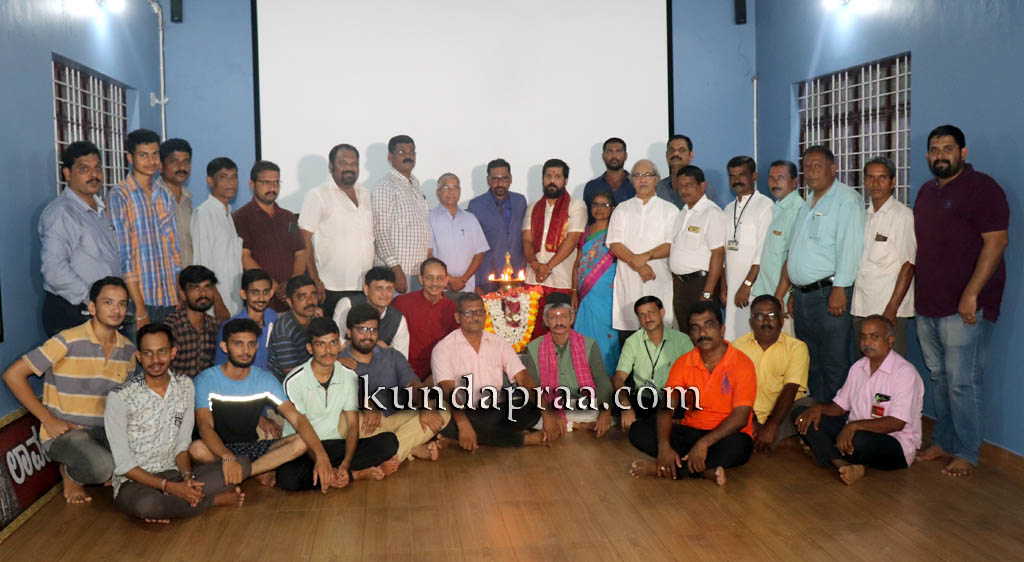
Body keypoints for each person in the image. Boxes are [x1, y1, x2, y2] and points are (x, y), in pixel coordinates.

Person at [914, 125, 1009, 477]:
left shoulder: (983, 188)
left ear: (963, 153)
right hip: (928, 304)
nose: (941, 154)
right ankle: (943, 440)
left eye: (948, 148)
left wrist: (971, 293)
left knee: (962, 382)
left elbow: (996, 243)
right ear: (928, 155)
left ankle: (967, 451)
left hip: (966, 307)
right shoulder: (926, 192)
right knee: (939, 378)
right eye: (935, 149)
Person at [2, 277, 136, 504]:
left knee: (144, 457)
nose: (116, 310)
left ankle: (107, 469)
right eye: (108, 302)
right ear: (92, 307)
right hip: (67, 433)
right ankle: (72, 473)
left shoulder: (129, 350)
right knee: (104, 468)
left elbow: (124, 400)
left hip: (105, 431)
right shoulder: (67, 340)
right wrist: (48, 419)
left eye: (122, 304)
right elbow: (13, 375)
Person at [105, 324, 244, 523]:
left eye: (162, 352)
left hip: (175, 473)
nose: (155, 360)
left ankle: (177, 503)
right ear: (139, 356)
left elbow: (182, 445)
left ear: (173, 353)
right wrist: (169, 488)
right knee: (147, 505)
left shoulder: (185, 386)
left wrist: (187, 478)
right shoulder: (120, 397)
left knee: (242, 465)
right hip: (135, 482)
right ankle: (211, 501)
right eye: (148, 353)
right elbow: (124, 465)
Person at [189, 319, 334, 491]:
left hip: (250, 448)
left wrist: (322, 457)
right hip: (217, 449)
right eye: (238, 344)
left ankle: (247, 472)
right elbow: (205, 427)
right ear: (224, 347)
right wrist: (227, 457)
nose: (245, 350)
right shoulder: (206, 380)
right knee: (197, 449)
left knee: (302, 441)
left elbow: (297, 419)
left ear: (257, 346)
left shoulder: (265, 380)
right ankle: (253, 471)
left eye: (251, 344)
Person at [628, 302, 755, 486]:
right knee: (638, 430)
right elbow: (667, 408)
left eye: (709, 325)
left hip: (725, 435)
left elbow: (741, 417)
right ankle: (702, 470)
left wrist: (704, 444)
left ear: (722, 329)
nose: (702, 333)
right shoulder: (683, 363)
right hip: (691, 431)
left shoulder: (742, 363)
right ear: (691, 335)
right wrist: (664, 446)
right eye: (695, 328)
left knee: (740, 447)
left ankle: (661, 469)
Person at [773, 146, 865, 403]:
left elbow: (850, 247)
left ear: (833, 169)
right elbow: (799, 250)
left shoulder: (846, 200)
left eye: (818, 166)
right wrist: (795, 290)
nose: (811, 171)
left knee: (834, 362)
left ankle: (838, 420)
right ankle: (817, 418)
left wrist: (840, 288)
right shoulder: (808, 202)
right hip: (804, 296)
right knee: (811, 362)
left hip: (830, 294)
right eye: (807, 167)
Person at [793, 315, 924, 485]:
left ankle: (824, 449)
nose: (867, 342)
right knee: (803, 414)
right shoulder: (858, 367)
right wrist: (818, 408)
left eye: (874, 337)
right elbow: (840, 407)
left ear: (890, 341)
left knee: (858, 440)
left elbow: (896, 423)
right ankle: (841, 463)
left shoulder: (904, 373)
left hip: (894, 443)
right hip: (854, 431)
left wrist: (854, 426)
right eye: (863, 336)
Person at [276, 318, 400, 490]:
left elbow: (352, 425)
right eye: (321, 344)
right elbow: (302, 427)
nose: (328, 350)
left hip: (333, 444)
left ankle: (338, 474)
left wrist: (345, 463)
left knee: (389, 442)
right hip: (303, 447)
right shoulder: (294, 381)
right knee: (286, 477)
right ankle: (354, 475)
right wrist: (322, 460)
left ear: (340, 346)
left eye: (333, 343)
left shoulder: (348, 376)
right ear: (310, 348)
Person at [433, 293, 564, 449]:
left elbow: (523, 378)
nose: (475, 317)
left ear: (485, 315)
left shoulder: (498, 343)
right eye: (468, 313)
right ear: (457, 317)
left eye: (479, 312)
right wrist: (463, 425)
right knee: (450, 423)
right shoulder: (443, 348)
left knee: (533, 408)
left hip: (495, 409)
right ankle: (522, 439)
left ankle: (466, 439)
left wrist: (547, 413)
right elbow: (448, 391)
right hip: (463, 411)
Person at [340, 304, 450, 463]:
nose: (368, 335)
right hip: (366, 424)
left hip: (397, 417)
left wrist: (425, 406)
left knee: (443, 409)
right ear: (349, 332)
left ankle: (390, 456)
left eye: (373, 330)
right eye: (362, 329)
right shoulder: (338, 362)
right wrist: (365, 404)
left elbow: (413, 384)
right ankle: (409, 448)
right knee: (344, 423)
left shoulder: (392, 355)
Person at [40, 141, 121, 336]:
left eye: (97, 168)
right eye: (84, 169)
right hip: (75, 311)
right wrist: (92, 299)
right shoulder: (62, 213)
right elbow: (54, 270)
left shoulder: (101, 210)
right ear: (67, 174)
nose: (94, 175)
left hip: (102, 311)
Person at [107, 128, 182, 329]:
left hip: (169, 299)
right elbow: (124, 257)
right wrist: (140, 309)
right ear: (130, 158)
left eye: (155, 154)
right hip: (138, 301)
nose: (151, 161)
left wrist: (179, 294)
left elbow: (174, 251)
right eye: (143, 155)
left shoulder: (164, 194)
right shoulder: (119, 195)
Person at [299, 143, 374, 319]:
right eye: (343, 163)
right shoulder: (317, 195)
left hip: (364, 286)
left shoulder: (365, 194)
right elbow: (304, 240)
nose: (350, 168)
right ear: (331, 166)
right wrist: (315, 281)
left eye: (354, 164)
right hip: (331, 287)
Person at [522, 294, 613, 436]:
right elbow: (533, 388)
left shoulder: (589, 344)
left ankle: (564, 424)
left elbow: (601, 379)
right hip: (550, 404)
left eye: (564, 316)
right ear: (546, 320)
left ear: (571, 318)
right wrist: (548, 412)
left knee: (609, 409)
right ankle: (576, 424)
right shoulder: (533, 347)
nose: (559, 322)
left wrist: (605, 411)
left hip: (583, 403)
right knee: (525, 414)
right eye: (553, 317)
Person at [851, 156, 916, 356]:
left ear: (893, 182)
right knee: (864, 368)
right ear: (864, 181)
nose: (875, 183)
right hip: (861, 309)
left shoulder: (902, 216)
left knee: (889, 368)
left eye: (882, 178)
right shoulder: (865, 216)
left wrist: (891, 310)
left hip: (887, 313)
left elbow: (908, 265)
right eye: (870, 177)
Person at [607, 160, 678, 339]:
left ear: (656, 179)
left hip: (657, 280)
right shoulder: (621, 209)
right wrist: (639, 265)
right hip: (628, 282)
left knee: (660, 338)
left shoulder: (670, 210)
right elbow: (615, 244)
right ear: (632, 181)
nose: (643, 179)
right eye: (638, 175)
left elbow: (670, 245)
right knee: (629, 338)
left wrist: (646, 256)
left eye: (648, 175)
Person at [732, 295, 812, 452]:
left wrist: (771, 425)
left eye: (772, 316)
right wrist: (752, 422)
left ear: (781, 320)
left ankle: (768, 439)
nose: (766, 322)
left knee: (807, 409)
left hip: (784, 414)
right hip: (747, 413)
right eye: (759, 316)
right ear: (751, 322)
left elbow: (790, 389)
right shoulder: (737, 347)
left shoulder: (797, 347)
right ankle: (781, 441)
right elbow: (737, 390)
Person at [523, 158, 586, 338]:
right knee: (533, 336)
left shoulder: (576, 205)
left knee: (560, 337)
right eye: (548, 176)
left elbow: (572, 240)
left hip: (561, 282)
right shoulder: (533, 207)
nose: (552, 181)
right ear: (542, 179)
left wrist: (547, 267)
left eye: (557, 177)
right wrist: (536, 265)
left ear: (565, 180)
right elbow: (526, 240)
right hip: (533, 281)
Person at [234, 160, 306, 313]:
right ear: (252, 185)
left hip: (290, 301)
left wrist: (292, 283)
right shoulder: (241, 217)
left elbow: (300, 253)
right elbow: (244, 257)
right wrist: (269, 284)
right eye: (266, 182)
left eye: (276, 182)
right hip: (260, 301)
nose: (272, 188)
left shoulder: (289, 217)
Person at [613, 296, 693, 430]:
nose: (648, 318)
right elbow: (619, 377)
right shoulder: (632, 341)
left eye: (651, 312)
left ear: (662, 313)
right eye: (642, 315)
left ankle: (652, 425)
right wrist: (625, 406)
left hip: (674, 398)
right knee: (615, 399)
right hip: (645, 398)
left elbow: (693, 375)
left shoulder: (682, 340)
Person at [668, 165, 726, 332]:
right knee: (686, 335)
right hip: (681, 286)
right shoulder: (682, 213)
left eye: (689, 185)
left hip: (700, 284)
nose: (684, 190)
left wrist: (707, 293)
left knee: (703, 334)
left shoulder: (712, 213)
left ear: (702, 186)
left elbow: (718, 254)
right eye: (680, 186)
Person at [721, 156, 773, 341]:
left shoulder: (765, 205)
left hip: (753, 288)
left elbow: (762, 252)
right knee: (733, 336)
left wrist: (747, 285)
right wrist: (724, 286)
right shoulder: (728, 208)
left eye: (742, 175)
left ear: (754, 176)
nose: (737, 180)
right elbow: (725, 254)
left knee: (753, 338)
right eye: (732, 176)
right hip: (732, 286)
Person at [372, 134, 429, 294]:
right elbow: (380, 231)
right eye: (402, 152)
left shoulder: (415, 183)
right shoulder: (385, 186)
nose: (408, 156)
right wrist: (396, 269)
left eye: (411, 152)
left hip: (417, 272)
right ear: (390, 157)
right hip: (395, 272)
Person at [571, 189, 620, 373]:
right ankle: (585, 378)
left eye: (604, 205)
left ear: (613, 208)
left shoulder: (616, 231)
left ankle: (608, 378)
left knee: (608, 333)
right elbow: (578, 263)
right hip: (586, 294)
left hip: (608, 291)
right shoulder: (586, 232)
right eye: (595, 205)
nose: (599, 209)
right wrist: (573, 292)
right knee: (584, 336)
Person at [751, 160, 802, 336]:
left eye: (781, 177)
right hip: (768, 295)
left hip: (782, 302)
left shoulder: (796, 210)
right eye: (771, 178)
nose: (775, 182)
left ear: (795, 182)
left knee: (785, 348)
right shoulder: (777, 208)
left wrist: (780, 296)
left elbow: (793, 258)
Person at [466, 158, 528, 294]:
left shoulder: (520, 201)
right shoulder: (476, 205)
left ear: (510, 179)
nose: (500, 183)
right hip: (487, 277)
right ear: (488, 180)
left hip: (516, 276)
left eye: (504, 178)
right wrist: (475, 283)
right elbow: (470, 246)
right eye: (495, 179)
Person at [191, 157, 242, 318]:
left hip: (234, 300)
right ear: (210, 181)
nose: (231, 182)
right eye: (223, 177)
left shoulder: (228, 213)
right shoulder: (204, 213)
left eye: (234, 177)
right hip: (216, 306)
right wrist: (218, 303)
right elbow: (202, 265)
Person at [392, 258, 459, 381]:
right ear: (420, 279)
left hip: (437, 373)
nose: (435, 283)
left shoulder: (452, 308)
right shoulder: (402, 303)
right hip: (403, 372)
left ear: (446, 280)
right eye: (429, 278)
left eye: (440, 278)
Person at [428, 173, 489, 294]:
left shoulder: (470, 218)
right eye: (446, 187)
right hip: (440, 289)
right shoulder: (429, 218)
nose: (451, 192)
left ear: (460, 191)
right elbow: (428, 255)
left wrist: (463, 279)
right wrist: (449, 280)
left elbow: (479, 253)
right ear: (438, 192)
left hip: (467, 287)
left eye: (455, 187)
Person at [332, 266, 409, 358]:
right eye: (379, 288)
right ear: (366, 290)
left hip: (379, 364)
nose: (384, 294)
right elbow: (333, 340)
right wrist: (372, 346)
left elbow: (401, 358)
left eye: (389, 289)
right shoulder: (347, 305)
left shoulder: (398, 319)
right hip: (346, 360)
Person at [214, 269, 278, 370]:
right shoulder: (231, 326)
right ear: (243, 294)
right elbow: (220, 366)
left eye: (265, 292)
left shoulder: (272, 316)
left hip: (268, 377)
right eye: (255, 292)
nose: (261, 298)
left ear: (271, 293)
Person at [162, 266, 219, 378]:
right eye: (196, 288)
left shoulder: (215, 326)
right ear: (183, 294)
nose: (203, 294)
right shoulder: (171, 327)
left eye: (207, 287)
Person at [267, 274, 320, 381]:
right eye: (302, 297)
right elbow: (292, 375)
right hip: (287, 384)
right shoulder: (285, 331)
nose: (310, 301)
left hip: (311, 374)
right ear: (290, 302)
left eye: (314, 295)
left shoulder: (314, 319)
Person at [156, 138, 194, 267]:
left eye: (186, 161)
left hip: (187, 275)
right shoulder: (151, 199)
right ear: (161, 166)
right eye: (174, 161)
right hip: (162, 275)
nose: (181, 167)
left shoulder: (187, 200)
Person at [582, 137, 635, 223]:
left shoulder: (636, 185)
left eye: (618, 151)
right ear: (603, 156)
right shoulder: (591, 187)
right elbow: (587, 221)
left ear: (625, 156)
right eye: (610, 151)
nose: (614, 156)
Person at [655, 134, 693, 209]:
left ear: (691, 155)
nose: (676, 153)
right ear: (666, 155)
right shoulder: (657, 188)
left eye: (681, 150)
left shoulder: (703, 189)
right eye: (672, 150)